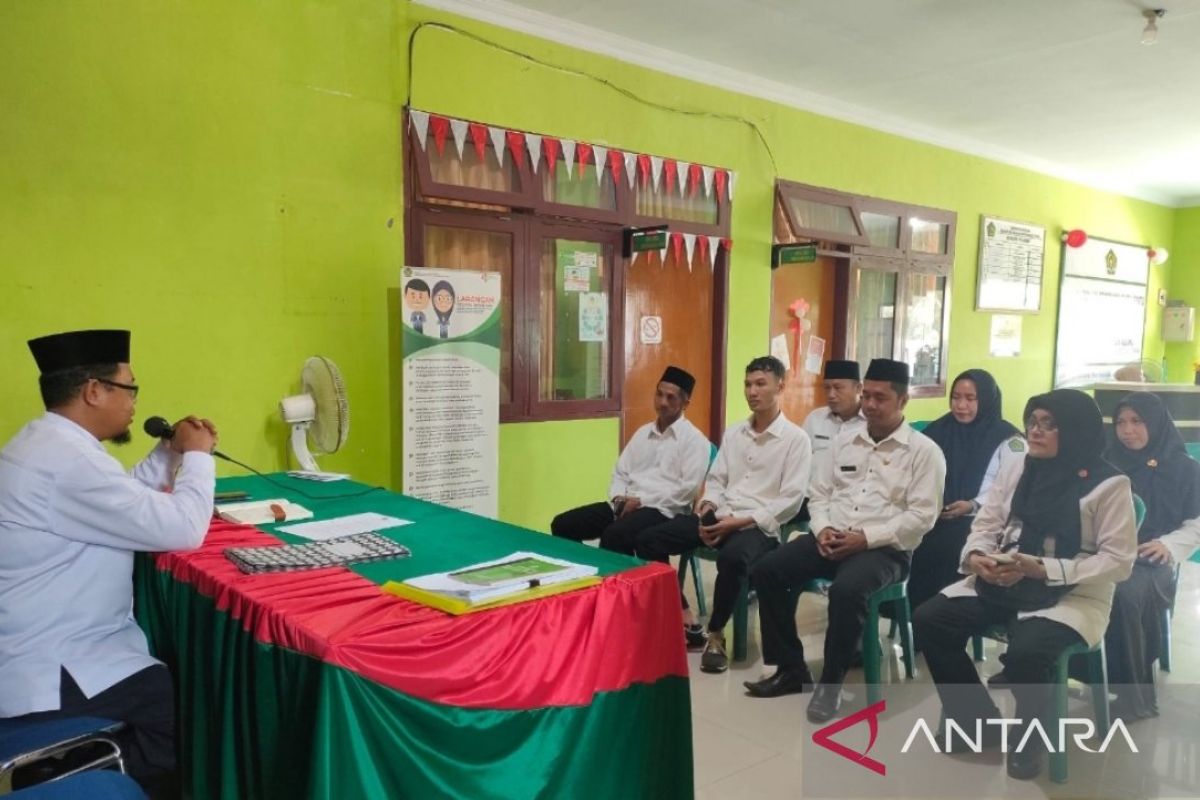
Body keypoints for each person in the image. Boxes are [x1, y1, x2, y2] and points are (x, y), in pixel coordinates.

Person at [0, 329, 219, 798]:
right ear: (94, 391)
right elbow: (183, 528)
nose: (135, 402)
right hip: (53, 664)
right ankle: (80, 780)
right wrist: (198, 458)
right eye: (130, 389)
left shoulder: (50, 445)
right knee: (195, 715)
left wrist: (169, 452)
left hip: (42, 642)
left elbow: (123, 499)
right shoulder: (64, 462)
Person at [913, 389, 1136, 781]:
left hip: (1074, 591)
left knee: (1026, 654)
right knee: (931, 619)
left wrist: (1047, 570)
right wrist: (978, 558)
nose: (1036, 431)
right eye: (1033, 421)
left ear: (1075, 430)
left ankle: (1027, 736)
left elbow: (1118, 563)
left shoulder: (1109, 484)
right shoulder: (1018, 465)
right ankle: (975, 717)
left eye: (1049, 425)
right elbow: (987, 522)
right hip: (1005, 575)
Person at [744, 359, 945, 722]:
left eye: (879, 398)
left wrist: (865, 538)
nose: (869, 404)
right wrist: (821, 529)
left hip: (886, 549)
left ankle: (830, 684)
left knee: (847, 591)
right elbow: (818, 494)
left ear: (902, 401)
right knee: (768, 569)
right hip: (832, 536)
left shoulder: (924, 452)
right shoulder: (843, 442)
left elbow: (921, 519)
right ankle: (790, 668)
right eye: (866, 395)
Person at [636, 356, 811, 673]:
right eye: (748, 384)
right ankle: (680, 618)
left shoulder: (796, 440)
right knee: (649, 540)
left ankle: (715, 635)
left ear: (780, 386)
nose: (752, 391)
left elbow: (791, 499)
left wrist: (741, 521)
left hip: (758, 526)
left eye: (761, 384)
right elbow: (717, 480)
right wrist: (709, 505)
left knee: (733, 559)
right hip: (722, 515)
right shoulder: (735, 433)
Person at [551, 366, 710, 639]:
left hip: (664, 510)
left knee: (615, 536)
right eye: (659, 394)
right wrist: (619, 498)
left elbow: (684, 492)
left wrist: (641, 500)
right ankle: (586, 589)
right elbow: (620, 472)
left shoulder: (695, 441)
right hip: (626, 504)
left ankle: (614, 607)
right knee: (563, 525)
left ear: (686, 402)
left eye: (671, 397)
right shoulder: (642, 434)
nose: (662, 402)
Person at [1103, 392, 1200, 719]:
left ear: (1156, 424)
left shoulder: (1185, 468)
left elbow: (1196, 523)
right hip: (1106, 551)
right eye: (1120, 422)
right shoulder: (1106, 462)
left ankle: (1135, 695)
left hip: (1151, 559)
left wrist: (1168, 545)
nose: (1127, 430)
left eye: (1137, 421)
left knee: (1125, 593)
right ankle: (1089, 671)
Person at [907, 369, 1023, 610]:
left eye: (970, 399)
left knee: (950, 547)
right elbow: (914, 471)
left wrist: (972, 505)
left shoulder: (1009, 439)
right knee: (911, 542)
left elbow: (1010, 487)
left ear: (986, 400)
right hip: (935, 516)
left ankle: (943, 620)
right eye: (956, 397)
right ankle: (912, 621)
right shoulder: (938, 430)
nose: (961, 406)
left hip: (980, 521)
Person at [800, 359, 865, 481]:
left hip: (853, 498)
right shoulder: (815, 419)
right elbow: (799, 460)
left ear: (858, 388)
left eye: (838, 388)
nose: (831, 394)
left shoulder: (872, 424)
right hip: (813, 496)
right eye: (827, 388)